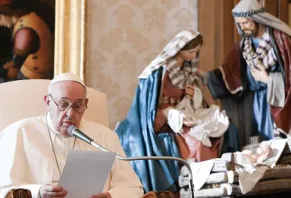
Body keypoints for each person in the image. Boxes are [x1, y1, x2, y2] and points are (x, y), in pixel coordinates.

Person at [116, 30, 239, 193]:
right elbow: (152, 107)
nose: (193, 56)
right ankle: (199, 185)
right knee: (198, 140)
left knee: (224, 127)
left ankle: (218, 179)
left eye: (196, 52)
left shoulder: (188, 70)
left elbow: (196, 102)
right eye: (190, 52)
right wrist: (173, 115)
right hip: (167, 120)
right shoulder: (160, 73)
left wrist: (194, 95)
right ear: (179, 50)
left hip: (186, 113)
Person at [0, 73, 144, 198]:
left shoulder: (105, 136)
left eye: (77, 106)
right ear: (48, 102)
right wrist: (39, 192)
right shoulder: (19, 132)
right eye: (63, 104)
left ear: (85, 104)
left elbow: (133, 188)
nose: (70, 113)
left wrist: (111, 196)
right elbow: (3, 189)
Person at [204, 0, 291, 156]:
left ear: (257, 19)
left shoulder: (280, 39)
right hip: (255, 100)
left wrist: (268, 79)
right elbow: (230, 71)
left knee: (274, 141)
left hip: (276, 99)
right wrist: (207, 76)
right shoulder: (245, 43)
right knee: (258, 140)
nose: (243, 27)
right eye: (239, 24)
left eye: (246, 22)